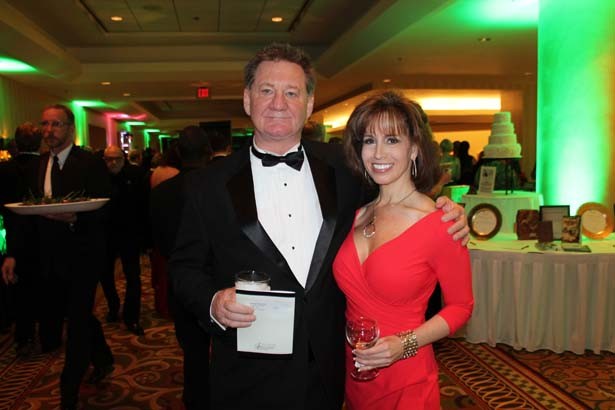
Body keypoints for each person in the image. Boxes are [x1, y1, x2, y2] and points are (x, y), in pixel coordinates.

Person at [168, 43, 469, 410]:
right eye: (267, 90)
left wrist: (447, 209)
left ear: (309, 104)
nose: (278, 103)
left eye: (292, 92)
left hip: (328, 369)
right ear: (247, 99)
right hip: (247, 372)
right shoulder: (208, 184)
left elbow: (396, 195)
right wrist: (214, 302)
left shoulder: (345, 168)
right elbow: (184, 268)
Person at [334, 91, 474, 409]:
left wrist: (405, 344)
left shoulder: (441, 223)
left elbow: (461, 307)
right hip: (356, 374)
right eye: (369, 141)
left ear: (414, 148)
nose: (378, 153)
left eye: (392, 140)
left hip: (407, 377)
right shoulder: (355, 215)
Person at [1, 104, 114, 410]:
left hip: (84, 256)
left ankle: (68, 391)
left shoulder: (89, 163)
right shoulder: (38, 165)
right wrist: (13, 255)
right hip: (49, 257)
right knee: (76, 314)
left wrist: (76, 218)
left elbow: (106, 210)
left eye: (56, 124)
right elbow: (26, 215)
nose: (49, 130)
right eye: (45, 124)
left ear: (70, 129)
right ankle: (103, 357)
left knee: (76, 323)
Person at [150, 125, 213, 410]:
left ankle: (195, 399)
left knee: (192, 349)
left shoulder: (162, 192)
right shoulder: (220, 186)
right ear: (209, 152)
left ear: (176, 152)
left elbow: (157, 239)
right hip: (219, 280)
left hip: (180, 280)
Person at [0, 123, 42, 356]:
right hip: (42, 234)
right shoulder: (45, 166)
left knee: (21, 287)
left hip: (13, 235)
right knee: (45, 283)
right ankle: (48, 332)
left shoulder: (4, 169)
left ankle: (23, 335)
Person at [100, 145, 148, 335]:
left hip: (130, 234)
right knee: (105, 274)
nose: (112, 163)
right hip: (105, 235)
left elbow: (144, 207)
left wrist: (145, 238)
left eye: (116, 159)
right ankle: (113, 306)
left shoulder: (135, 175)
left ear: (123, 159)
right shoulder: (99, 177)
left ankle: (131, 317)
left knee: (133, 276)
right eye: (108, 159)